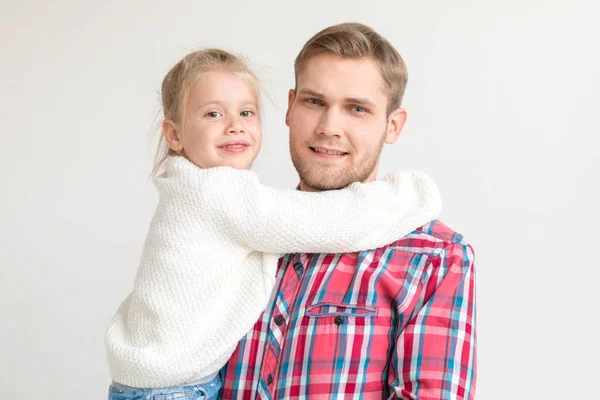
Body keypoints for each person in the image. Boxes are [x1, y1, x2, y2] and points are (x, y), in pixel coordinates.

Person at [104, 48, 443, 400]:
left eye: (246, 112)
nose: (234, 124)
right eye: (213, 113)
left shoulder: (197, 191)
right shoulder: (220, 195)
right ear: (174, 136)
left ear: (393, 124)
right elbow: (333, 220)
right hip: (174, 390)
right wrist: (413, 194)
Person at [220, 23, 477, 400]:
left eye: (357, 109)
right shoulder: (238, 232)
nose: (329, 128)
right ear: (290, 107)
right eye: (314, 102)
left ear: (392, 125)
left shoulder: (435, 258)